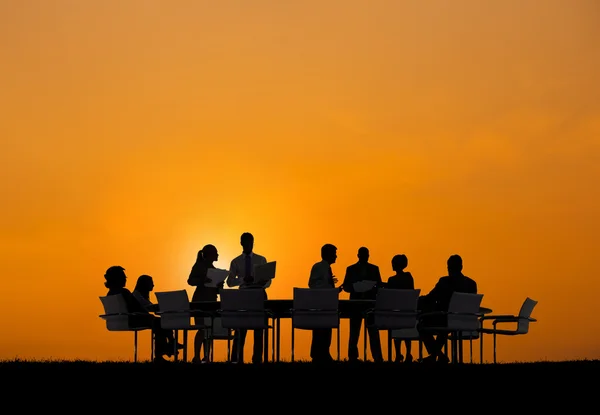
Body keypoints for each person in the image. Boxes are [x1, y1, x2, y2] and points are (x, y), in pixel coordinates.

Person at [104, 266, 174, 363]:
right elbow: (135, 306)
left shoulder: (110, 293)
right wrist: (147, 314)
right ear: (117, 279)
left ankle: (169, 346)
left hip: (121, 320)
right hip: (132, 320)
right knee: (160, 322)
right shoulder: (124, 292)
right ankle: (164, 351)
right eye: (123, 277)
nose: (125, 278)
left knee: (157, 322)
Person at [418, 254, 477, 363]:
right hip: (467, 321)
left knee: (422, 325)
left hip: (445, 319)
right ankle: (438, 356)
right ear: (461, 267)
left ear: (448, 268)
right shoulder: (471, 284)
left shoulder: (444, 282)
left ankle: (437, 355)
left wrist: (420, 299)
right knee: (444, 326)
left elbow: (430, 297)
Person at [226, 232, 269, 364]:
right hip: (243, 296)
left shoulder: (261, 260)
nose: (248, 244)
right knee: (240, 328)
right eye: (246, 242)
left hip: (258, 294)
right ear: (241, 243)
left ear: (253, 242)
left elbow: (268, 280)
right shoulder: (236, 261)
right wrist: (243, 280)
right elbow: (230, 282)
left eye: (250, 242)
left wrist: (263, 283)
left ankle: (257, 359)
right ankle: (236, 358)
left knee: (258, 328)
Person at [342, 247, 383, 362]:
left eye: (367, 255)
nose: (365, 257)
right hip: (356, 303)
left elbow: (379, 285)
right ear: (358, 256)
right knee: (354, 332)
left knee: (373, 332)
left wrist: (372, 287)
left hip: (370, 304)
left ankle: (377, 357)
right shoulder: (350, 269)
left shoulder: (374, 269)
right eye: (363, 255)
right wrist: (356, 287)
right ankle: (352, 357)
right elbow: (346, 286)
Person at [308, 243, 343, 363]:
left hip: (326, 304)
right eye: (334, 253)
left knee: (326, 330)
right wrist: (330, 288)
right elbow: (313, 284)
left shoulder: (324, 267)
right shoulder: (319, 267)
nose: (336, 256)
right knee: (321, 330)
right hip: (321, 305)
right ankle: (319, 354)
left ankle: (323, 353)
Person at [188, 244, 222, 363]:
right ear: (210, 254)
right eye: (216, 252)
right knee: (202, 329)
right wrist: (203, 281)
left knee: (209, 330)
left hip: (211, 301)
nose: (218, 255)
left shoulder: (214, 270)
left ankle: (206, 356)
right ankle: (196, 356)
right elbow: (190, 280)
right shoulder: (199, 266)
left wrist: (219, 286)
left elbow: (217, 290)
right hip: (200, 301)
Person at [385, 254, 415, 362]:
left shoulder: (392, 280)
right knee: (406, 330)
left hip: (396, 312)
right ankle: (408, 353)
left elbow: (390, 294)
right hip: (408, 311)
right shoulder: (409, 277)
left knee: (395, 328)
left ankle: (398, 353)